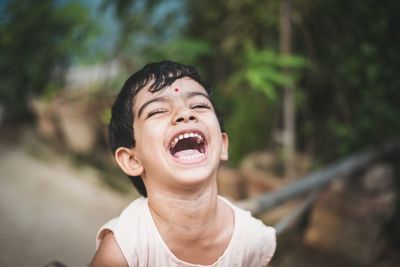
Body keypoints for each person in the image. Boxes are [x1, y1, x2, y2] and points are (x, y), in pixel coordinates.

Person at [90, 60, 276, 267]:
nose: (185, 113)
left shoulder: (253, 240)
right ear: (132, 159)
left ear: (222, 145)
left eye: (199, 105)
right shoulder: (123, 252)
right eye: (157, 110)